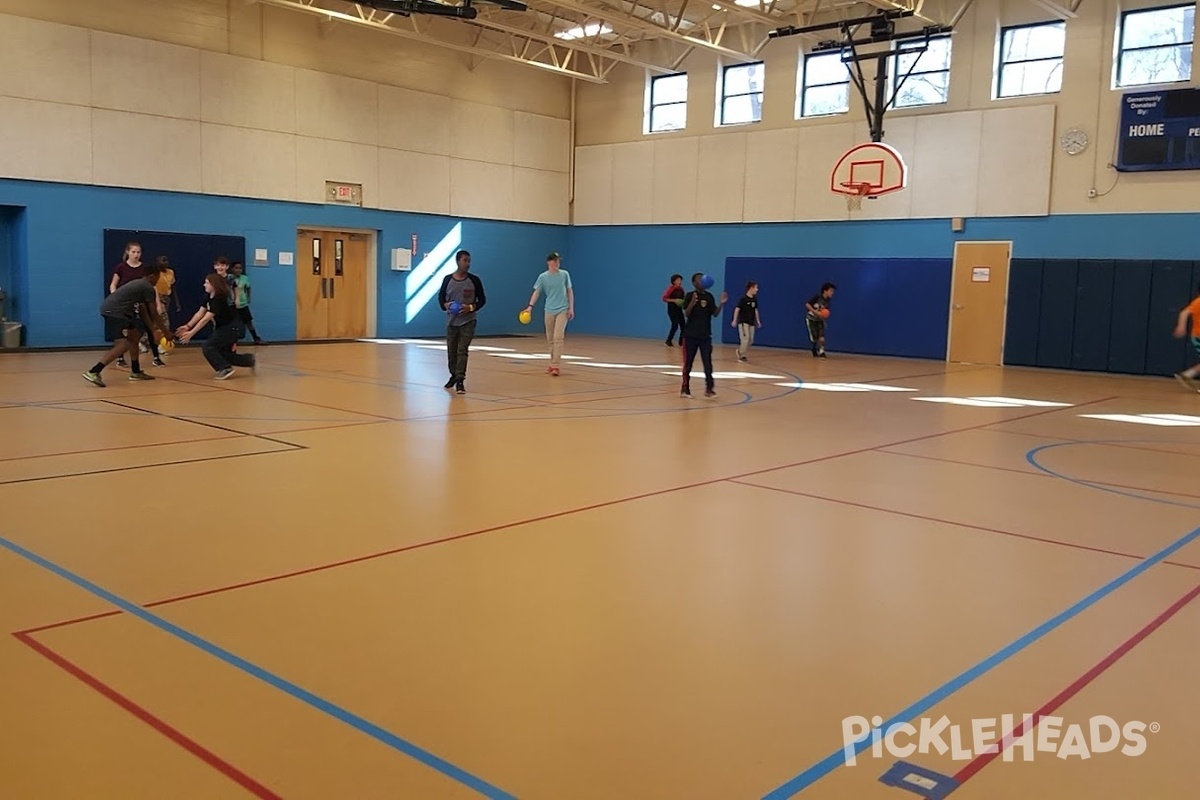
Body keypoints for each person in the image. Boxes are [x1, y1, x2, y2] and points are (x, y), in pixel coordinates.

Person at [83, 262, 170, 387]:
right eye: (158, 277)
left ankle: (135, 372)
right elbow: (154, 312)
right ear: (152, 276)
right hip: (115, 312)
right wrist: (166, 333)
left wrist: (153, 330)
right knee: (123, 344)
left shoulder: (140, 285)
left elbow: (142, 310)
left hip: (116, 311)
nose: (158, 280)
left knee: (134, 337)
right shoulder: (147, 287)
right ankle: (94, 371)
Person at [176, 273, 256, 380]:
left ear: (214, 285)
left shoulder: (219, 299)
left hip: (231, 328)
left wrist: (191, 333)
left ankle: (225, 368)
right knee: (225, 354)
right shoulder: (209, 296)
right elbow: (200, 313)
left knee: (208, 346)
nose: (204, 285)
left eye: (207, 283)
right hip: (224, 328)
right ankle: (250, 360)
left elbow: (205, 319)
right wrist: (187, 326)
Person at [437, 249, 486, 394]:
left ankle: (460, 380)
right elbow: (441, 299)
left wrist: (470, 307)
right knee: (452, 352)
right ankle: (453, 375)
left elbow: (482, 300)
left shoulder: (474, 280)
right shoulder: (447, 280)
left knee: (462, 350)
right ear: (458, 261)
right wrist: (446, 305)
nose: (467, 264)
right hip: (452, 323)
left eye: (469, 261)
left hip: (468, 322)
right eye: (465, 260)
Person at [524, 252, 574, 376]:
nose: (557, 263)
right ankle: (552, 363)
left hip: (563, 309)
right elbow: (537, 292)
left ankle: (556, 365)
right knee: (550, 339)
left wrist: (571, 308)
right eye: (554, 261)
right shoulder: (543, 277)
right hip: (549, 310)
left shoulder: (564, 275)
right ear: (549, 262)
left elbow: (569, 291)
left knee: (558, 337)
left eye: (558, 261)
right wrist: (530, 307)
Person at [680, 272, 727, 399]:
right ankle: (685, 389)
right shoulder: (690, 295)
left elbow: (715, 313)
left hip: (705, 336)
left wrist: (722, 303)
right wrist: (692, 302)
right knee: (688, 363)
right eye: (699, 279)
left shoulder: (709, 297)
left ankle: (709, 389)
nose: (702, 281)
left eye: (703, 278)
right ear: (694, 283)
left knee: (708, 363)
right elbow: (687, 313)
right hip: (690, 336)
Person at [1172, 282, 1200, 391]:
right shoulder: (1198, 302)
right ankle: (1187, 375)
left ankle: (1187, 375)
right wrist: (1181, 326)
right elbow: (1184, 313)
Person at [229, 262, 264, 344]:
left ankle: (256, 338)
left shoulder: (244, 278)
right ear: (232, 269)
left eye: (240, 268)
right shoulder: (229, 278)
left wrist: (248, 297)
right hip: (231, 304)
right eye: (236, 268)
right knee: (231, 323)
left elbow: (248, 288)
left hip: (242, 304)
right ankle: (229, 340)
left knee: (248, 322)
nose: (238, 270)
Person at [805, 282, 836, 358]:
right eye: (831, 291)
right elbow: (807, 305)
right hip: (811, 319)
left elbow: (825, 311)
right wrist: (815, 312)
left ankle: (822, 351)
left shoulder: (828, 300)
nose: (832, 293)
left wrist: (824, 316)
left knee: (821, 337)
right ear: (825, 291)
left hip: (820, 320)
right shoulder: (817, 297)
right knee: (814, 338)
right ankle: (814, 348)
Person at [732, 280, 761, 361]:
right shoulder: (743, 299)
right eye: (756, 287)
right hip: (743, 322)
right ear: (751, 288)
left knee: (750, 340)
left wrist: (758, 321)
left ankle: (740, 351)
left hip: (751, 322)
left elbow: (755, 310)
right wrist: (734, 320)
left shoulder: (754, 299)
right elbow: (737, 309)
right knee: (745, 339)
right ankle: (741, 355)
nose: (757, 289)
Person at [662, 274, 685, 347]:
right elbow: (664, 298)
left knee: (683, 326)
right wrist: (674, 300)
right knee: (675, 325)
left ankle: (681, 342)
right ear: (673, 281)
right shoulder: (670, 289)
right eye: (678, 280)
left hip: (679, 310)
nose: (679, 281)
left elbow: (683, 299)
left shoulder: (681, 289)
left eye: (680, 280)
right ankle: (668, 341)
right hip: (672, 310)